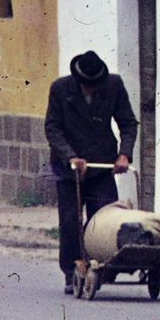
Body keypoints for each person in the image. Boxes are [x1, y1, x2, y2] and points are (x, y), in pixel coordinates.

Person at [44, 50, 139, 294]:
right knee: (70, 221)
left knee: (104, 220)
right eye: (89, 86)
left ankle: (102, 267)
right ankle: (71, 272)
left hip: (101, 165)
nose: (93, 89)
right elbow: (53, 128)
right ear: (78, 79)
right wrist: (70, 156)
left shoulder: (114, 85)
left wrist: (124, 154)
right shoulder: (60, 89)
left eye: (96, 85)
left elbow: (128, 123)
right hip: (69, 169)